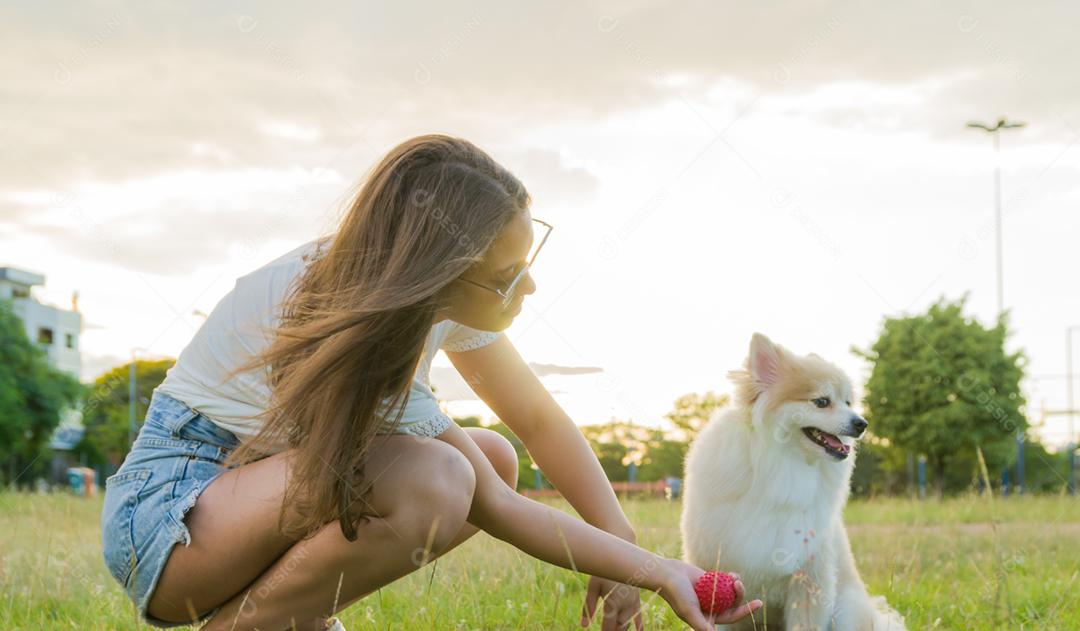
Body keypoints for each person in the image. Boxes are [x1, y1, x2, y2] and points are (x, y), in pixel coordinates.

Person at [100, 134, 763, 631]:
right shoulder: (359, 323)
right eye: (507, 273)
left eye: (527, 259)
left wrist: (620, 543)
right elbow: (494, 507)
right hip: (168, 520)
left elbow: (537, 420)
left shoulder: (417, 295)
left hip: (243, 497)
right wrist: (659, 573)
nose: (528, 284)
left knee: (492, 455)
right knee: (441, 477)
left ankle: (286, 615)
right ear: (440, 271)